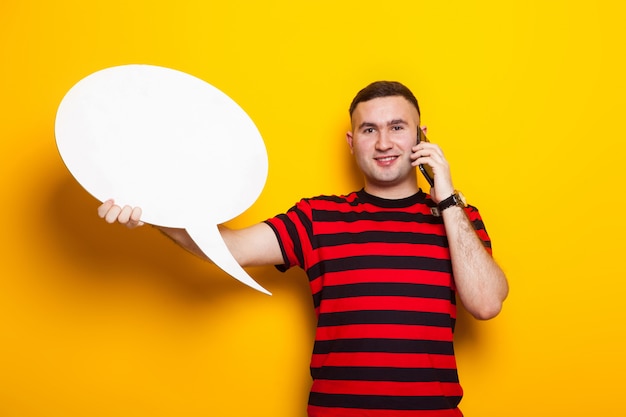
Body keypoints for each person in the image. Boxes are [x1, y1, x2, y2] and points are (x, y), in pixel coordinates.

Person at [98, 81, 509, 417]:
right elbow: (233, 248)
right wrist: (152, 211)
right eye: (370, 130)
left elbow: (487, 302)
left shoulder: (459, 218)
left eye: (398, 127)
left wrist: (447, 198)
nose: (384, 142)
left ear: (422, 137)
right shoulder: (319, 217)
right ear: (352, 141)